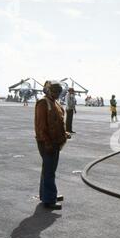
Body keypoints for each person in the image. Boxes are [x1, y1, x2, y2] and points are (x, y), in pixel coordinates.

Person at [35, 81, 71, 210]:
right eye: (54, 91)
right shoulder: (43, 103)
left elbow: (57, 123)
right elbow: (41, 126)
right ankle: (49, 200)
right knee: (49, 171)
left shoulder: (55, 103)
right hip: (47, 142)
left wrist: (64, 134)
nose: (56, 94)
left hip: (55, 141)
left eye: (58, 92)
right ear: (49, 90)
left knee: (48, 169)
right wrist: (47, 143)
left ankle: (45, 195)